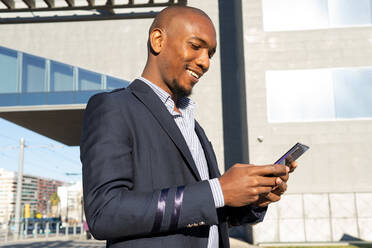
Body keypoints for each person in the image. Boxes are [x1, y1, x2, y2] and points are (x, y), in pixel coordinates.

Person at [80, 5, 297, 248]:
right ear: (158, 40)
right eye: (195, 46)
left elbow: (204, 212)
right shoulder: (113, 108)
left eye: (210, 54)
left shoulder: (194, 128)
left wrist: (255, 199)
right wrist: (219, 190)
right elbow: (104, 212)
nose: (205, 62)